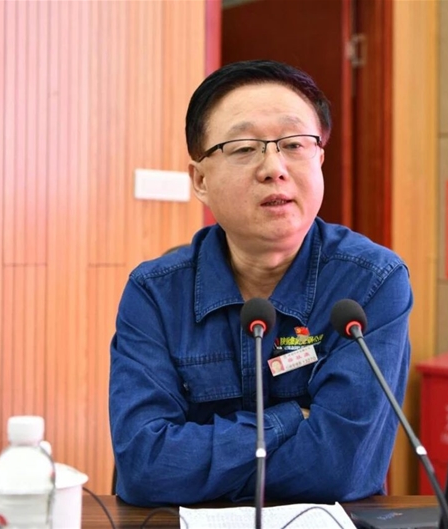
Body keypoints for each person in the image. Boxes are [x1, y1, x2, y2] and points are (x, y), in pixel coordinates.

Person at [109, 60, 413, 506]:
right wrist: (291, 419)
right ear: (200, 180)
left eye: (294, 144)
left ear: (320, 159)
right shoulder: (155, 293)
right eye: (244, 147)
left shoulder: (371, 282)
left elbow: (342, 467)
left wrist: (200, 464)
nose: (274, 167)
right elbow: (146, 466)